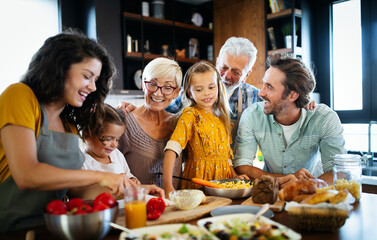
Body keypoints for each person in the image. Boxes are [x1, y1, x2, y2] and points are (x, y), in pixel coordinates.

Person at [0, 30, 137, 232]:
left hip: (52, 228)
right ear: (59, 68)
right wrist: (99, 176)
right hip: (10, 231)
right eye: (86, 76)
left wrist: (132, 190)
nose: (92, 87)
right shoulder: (19, 96)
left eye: (96, 80)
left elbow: (77, 192)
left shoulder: (69, 123)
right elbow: (27, 174)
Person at [234, 53, 347, 186]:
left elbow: (338, 170)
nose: (261, 93)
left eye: (269, 87)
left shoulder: (325, 119)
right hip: (270, 193)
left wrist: (306, 186)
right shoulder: (252, 115)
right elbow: (242, 165)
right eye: (263, 84)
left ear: (292, 95)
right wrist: (287, 178)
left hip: (311, 196)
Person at [163, 61, 248, 195]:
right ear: (189, 93)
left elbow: (225, 157)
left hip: (223, 185)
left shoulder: (222, 118)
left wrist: (234, 176)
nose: (206, 93)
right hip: (198, 186)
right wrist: (167, 185)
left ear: (218, 87)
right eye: (199, 89)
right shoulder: (191, 115)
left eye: (211, 87)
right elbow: (171, 150)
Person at [165, 37, 262, 148]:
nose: (227, 76)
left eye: (236, 72)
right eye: (224, 67)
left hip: (234, 165)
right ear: (217, 62)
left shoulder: (255, 97)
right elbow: (161, 117)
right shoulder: (192, 91)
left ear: (246, 75)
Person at [69, 104, 164, 200]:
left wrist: (132, 180)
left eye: (117, 139)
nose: (114, 144)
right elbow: (79, 194)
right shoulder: (81, 162)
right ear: (87, 135)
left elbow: (127, 175)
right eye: (108, 139)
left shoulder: (117, 155)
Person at [118, 57, 183, 189]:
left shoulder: (179, 124)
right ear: (143, 84)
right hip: (138, 206)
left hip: (175, 206)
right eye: (152, 84)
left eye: (167, 87)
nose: (158, 93)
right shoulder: (125, 122)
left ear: (176, 92)